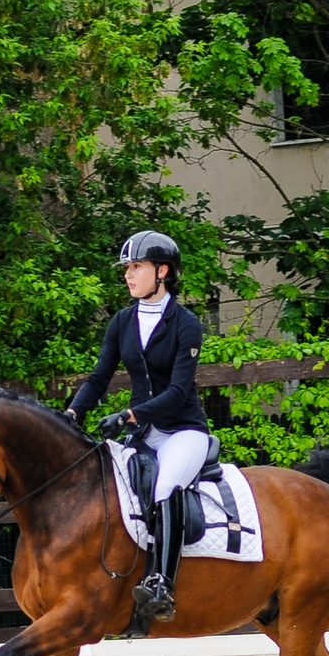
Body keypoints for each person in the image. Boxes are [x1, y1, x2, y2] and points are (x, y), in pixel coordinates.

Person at [66, 230, 211, 625]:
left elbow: (180, 391)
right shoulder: (122, 321)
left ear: (161, 271)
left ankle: (162, 583)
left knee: (165, 486)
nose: (129, 275)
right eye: (127, 268)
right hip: (143, 433)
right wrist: (72, 415)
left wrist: (130, 415)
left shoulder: (186, 324)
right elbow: (99, 378)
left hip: (183, 431)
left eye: (137, 267)